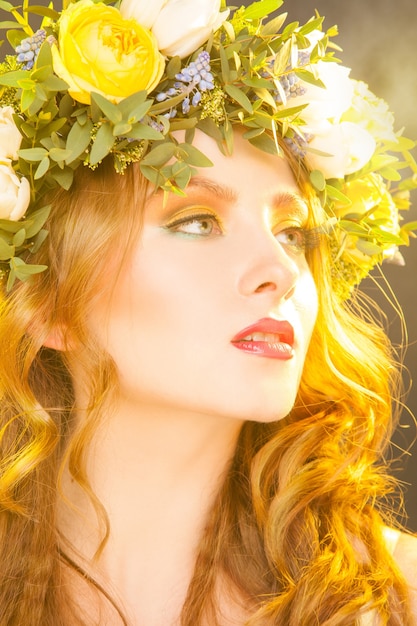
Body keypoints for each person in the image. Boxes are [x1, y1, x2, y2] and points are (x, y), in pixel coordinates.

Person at [0, 0, 417, 624]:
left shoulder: (397, 595)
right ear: (49, 305)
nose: (281, 271)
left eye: (293, 231)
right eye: (196, 222)